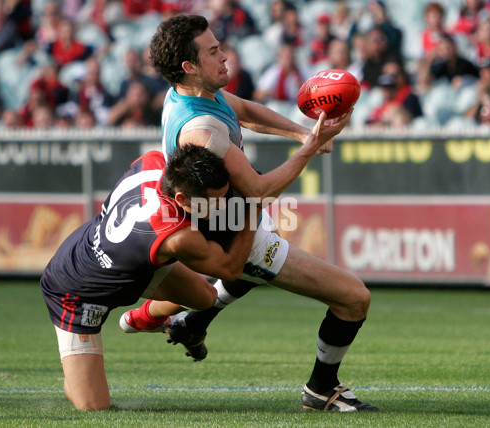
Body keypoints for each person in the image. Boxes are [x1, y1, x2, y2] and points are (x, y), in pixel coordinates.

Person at [121, 14, 377, 413]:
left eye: (219, 46)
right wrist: (309, 148)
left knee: (229, 283)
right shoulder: (201, 129)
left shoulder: (194, 93)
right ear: (189, 66)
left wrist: (303, 133)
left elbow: (244, 111)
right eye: (213, 52)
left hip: (240, 213)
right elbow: (261, 190)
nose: (225, 56)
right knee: (353, 298)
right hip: (238, 230)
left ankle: (186, 321)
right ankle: (321, 389)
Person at [40, 145, 263, 410]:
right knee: (94, 408)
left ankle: (146, 318)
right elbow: (230, 270)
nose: (221, 206)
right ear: (181, 198)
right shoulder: (178, 237)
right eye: (212, 202)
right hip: (77, 290)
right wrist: (254, 209)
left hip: (124, 261)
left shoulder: (153, 160)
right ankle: (76, 379)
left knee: (206, 297)